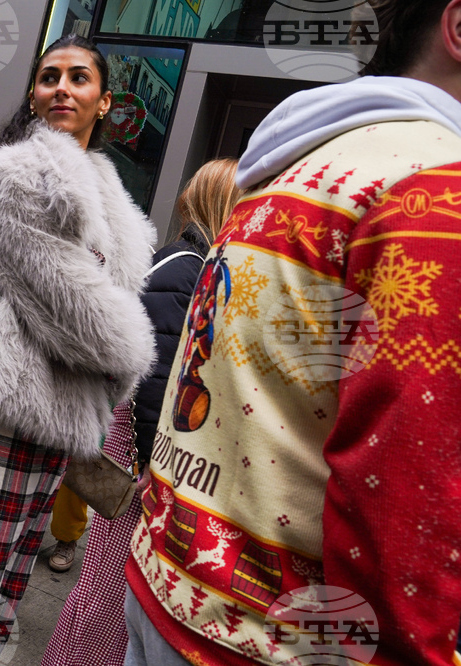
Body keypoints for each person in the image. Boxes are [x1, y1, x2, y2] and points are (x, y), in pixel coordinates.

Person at [123, 3, 461, 665]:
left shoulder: (281, 177)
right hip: (268, 636)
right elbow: (405, 498)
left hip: (169, 580)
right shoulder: (437, 191)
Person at [0, 34, 157, 664]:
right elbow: (80, 315)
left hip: (51, 427)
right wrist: (130, 354)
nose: (62, 88)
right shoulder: (16, 175)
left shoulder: (106, 191)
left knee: (0, 599)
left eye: (79, 78)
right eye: (48, 78)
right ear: (34, 97)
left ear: (104, 102)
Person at [42, 158, 239, 666]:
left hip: (129, 443)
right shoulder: (188, 267)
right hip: (140, 455)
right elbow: (160, 373)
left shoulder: (183, 261)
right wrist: (156, 465)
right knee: (109, 593)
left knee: (106, 589)